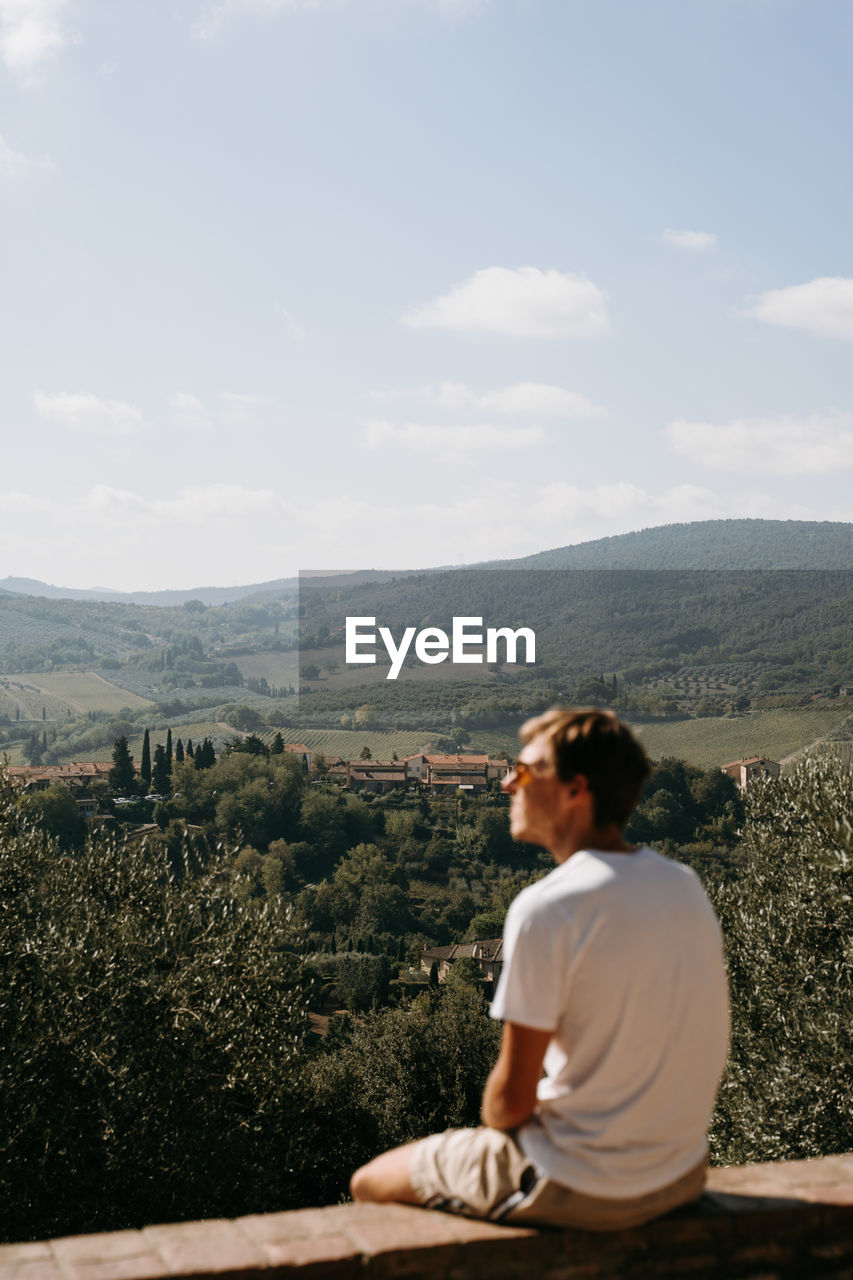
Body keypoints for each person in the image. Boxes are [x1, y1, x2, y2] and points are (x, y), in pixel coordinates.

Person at [350, 706, 730, 1230]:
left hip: (578, 1181)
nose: (507, 785)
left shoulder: (547, 907)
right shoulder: (685, 886)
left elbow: (507, 1106)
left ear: (576, 790)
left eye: (524, 771)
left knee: (367, 1182)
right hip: (679, 1177)